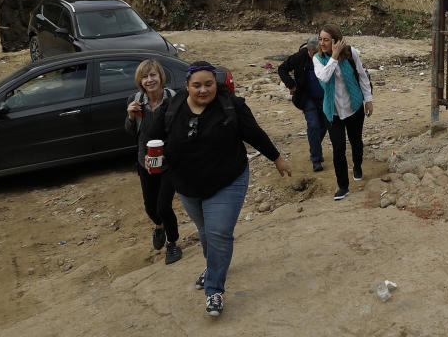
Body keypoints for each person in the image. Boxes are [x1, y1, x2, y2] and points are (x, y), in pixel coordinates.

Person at [141, 61, 291, 317]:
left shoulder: (231, 106)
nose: (203, 90)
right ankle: (214, 267)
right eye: (196, 85)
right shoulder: (173, 105)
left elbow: (254, 134)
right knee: (205, 231)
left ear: (216, 85)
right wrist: (149, 154)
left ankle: (214, 291)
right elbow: (152, 135)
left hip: (227, 179)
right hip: (187, 184)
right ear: (186, 86)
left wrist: (277, 159)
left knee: (219, 232)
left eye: (208, 84)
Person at [125, 59, 182, 265]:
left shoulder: (173, 98)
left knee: (164, 206)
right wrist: (130, 116)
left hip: (169, 160)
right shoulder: (136, 99)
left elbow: (179, 132)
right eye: (145, 76)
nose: (149, 80)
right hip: (144, 160)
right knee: (151, 207)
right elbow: (131, 132)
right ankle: (158, 227)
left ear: (160, 77)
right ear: (140, 80)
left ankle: (173, 244)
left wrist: (167, 152)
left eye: (153, 75)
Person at [312, 24, 373, 201]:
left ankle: (358, 166)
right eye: (320, 39)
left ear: (336, 40)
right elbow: (324, 77)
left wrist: (368, 100)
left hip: (353, 107)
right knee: (338, 148)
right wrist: (334, 56)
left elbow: (362, 75)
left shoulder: (351, 53)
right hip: (333, 112)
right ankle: (343, 186)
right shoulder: (318, 59)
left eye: (326, 39)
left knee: (356, 142)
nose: (322, 43)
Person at [277, 35, 330, 172]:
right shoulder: (299, 57)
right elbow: (282, 68)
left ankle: (315, 147)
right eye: (315, 53)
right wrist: (291, 85)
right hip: (306, 98)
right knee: (313, 124)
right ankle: (316, 159)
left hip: (325, 98)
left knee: (325, 125)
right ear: (310, 51)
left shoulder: (327, 56)